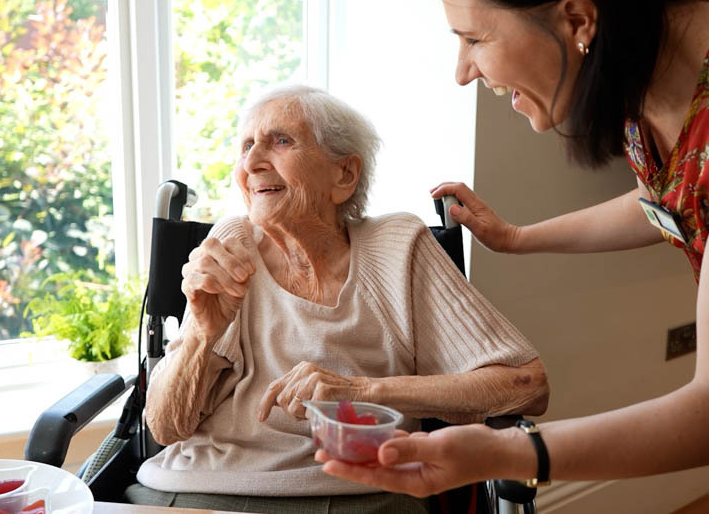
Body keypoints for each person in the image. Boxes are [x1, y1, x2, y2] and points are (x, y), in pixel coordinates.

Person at [318, 0, 709, 511]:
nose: (462, 71)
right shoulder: (646, 50)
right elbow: (676, 195)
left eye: (473, 38)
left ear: (577, 20)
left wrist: (507, 453)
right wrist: (516, 237)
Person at [133, 85, 549, 512]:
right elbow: (165, 428)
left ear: (344, 176)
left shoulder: (397, 247)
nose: (252, 163)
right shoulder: (231, 246)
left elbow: (527, 386)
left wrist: (364, 390)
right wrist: (203, 332)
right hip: (195, 493)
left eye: (280, 141)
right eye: (246, 147)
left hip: (357, 492)